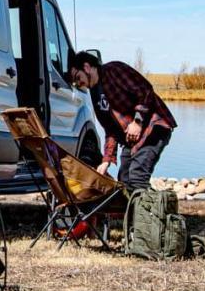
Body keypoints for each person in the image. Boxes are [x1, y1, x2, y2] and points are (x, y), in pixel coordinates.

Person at [68, 51, 175, 190]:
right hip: (132, 138)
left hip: (154, 128)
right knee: (124, 180)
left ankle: (149, 211)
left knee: (137, 178)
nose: (79, 83)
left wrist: (137, 121)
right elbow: (110, 129)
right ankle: (135, 210)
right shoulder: (94, 93)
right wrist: (106, 160)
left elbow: (145, 91)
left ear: (87, 67)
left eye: (78, 77)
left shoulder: (114, 70)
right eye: (75, 82)